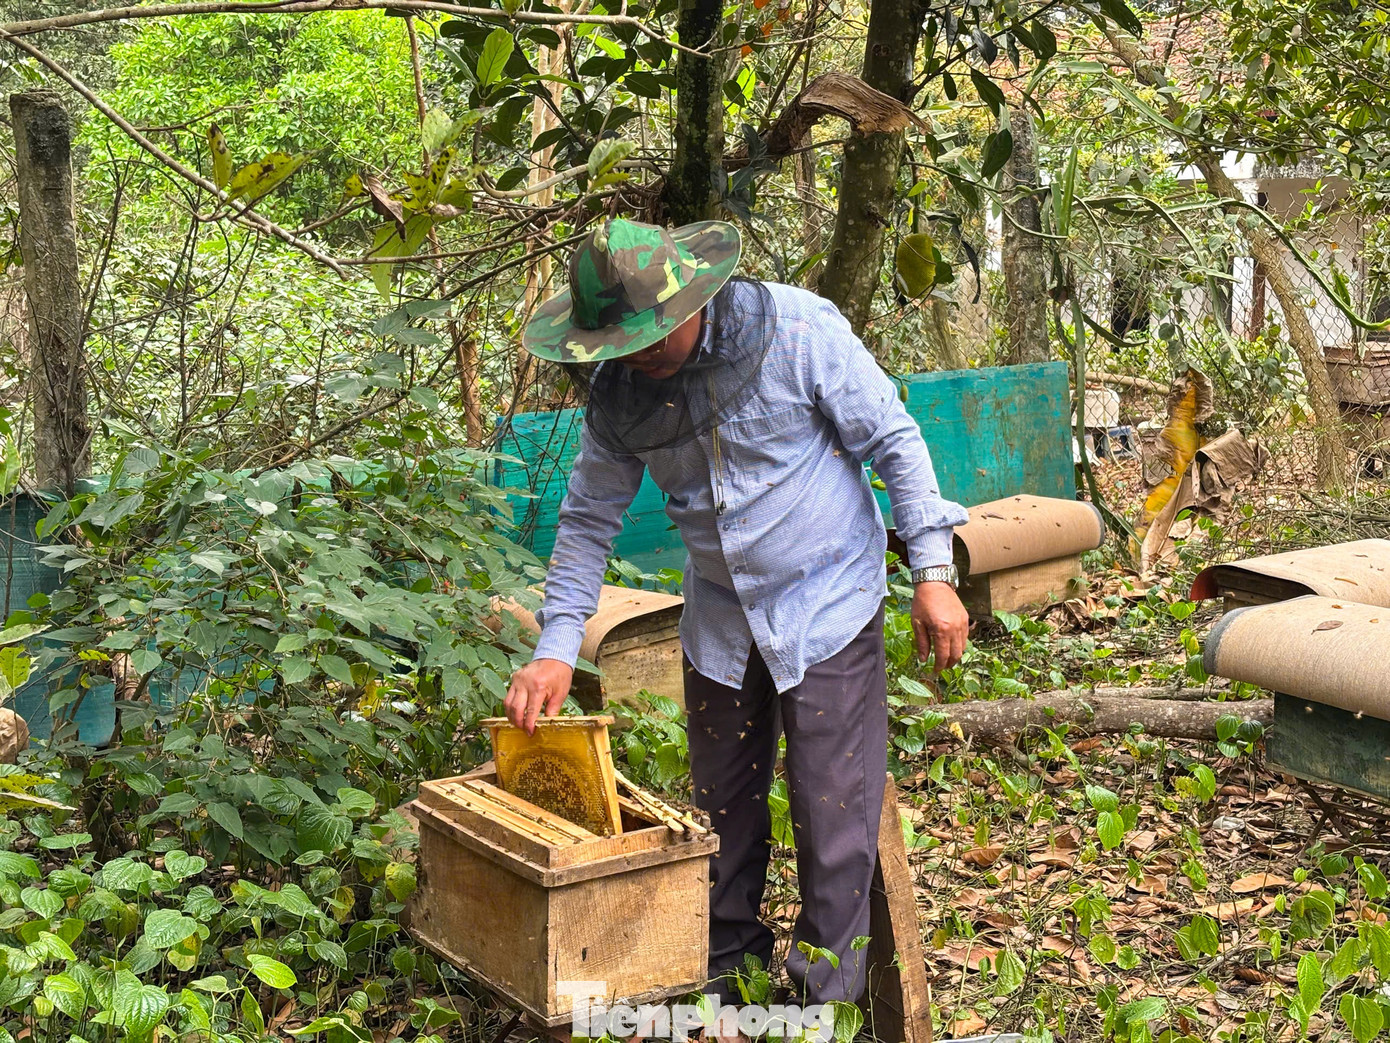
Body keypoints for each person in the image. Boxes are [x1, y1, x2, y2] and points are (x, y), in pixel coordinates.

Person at [505, 216, 969, 1007]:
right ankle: (728, 985)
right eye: (620, 338)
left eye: (651, 330)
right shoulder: (619, 394)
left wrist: (932, 569)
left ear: (696, 293)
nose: (639, 350)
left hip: (828, 602)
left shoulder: (797, 330)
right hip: (720, 621)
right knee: (718, 816)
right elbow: (587, 521)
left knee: (833, 815)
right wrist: (555, 646)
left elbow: (893, 438)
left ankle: (824, 1007)